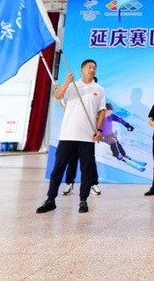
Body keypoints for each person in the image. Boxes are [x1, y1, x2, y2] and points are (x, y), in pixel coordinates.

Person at [37, 59, 105, 214]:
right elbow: (58, 95)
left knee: (86, 170)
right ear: (82, 69)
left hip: (87, 136)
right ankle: (50, 199)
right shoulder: (73, 85)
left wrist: (99, 130)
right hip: (68, 135)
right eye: (89, 67)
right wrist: (67, 82)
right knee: (58, 169)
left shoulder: (99, 89)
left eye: (94, 67)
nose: (92, 69)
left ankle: (83, 200)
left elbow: (101, 111)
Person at [101, 103, 145, 171]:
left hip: (109, 133)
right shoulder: (100, 116)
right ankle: (117, 155)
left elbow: (120, 120)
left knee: (117, 142)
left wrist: (128, 126)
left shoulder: (111, 116)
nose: (110, 113)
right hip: (102, 135)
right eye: (108, 111)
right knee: (113, 141)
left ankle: (123, 154)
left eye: (110, 111)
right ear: (104, 110)